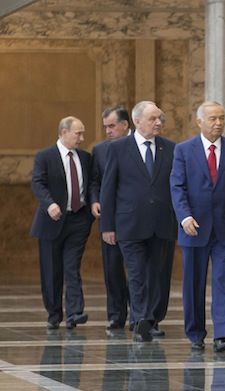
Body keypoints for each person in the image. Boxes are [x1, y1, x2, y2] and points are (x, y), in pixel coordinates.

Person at [170, 101, 225, 352]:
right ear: (200, 121)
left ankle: (221, 335)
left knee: (222, 280)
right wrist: (184, 217)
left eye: (222, 118)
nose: (219, 123)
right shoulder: (183, 150)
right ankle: (195, 334)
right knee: (193, 283)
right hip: (194, 227)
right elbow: (177, 187)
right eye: (213, 118)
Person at [100, 101, 177, 343]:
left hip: (162, 223)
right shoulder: (118, 148)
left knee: (158, 274)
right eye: (153, 118)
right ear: (136, 121)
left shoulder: (171, 148)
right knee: (136, 272)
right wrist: (107, 226)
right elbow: (108, 189)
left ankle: (153, 319)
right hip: (130, 224)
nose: (158, 123)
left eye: (160, 119)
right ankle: (141, 318)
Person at [30, 116, 95, 330]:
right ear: (63, 132)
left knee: (72, 267)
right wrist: (49, 204)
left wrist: (93, 202)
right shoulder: (45, 156)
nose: (82, 138)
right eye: (78, 133)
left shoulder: (85, 158)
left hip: (78, 220)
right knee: (51, 270)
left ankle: (75, 313)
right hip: (52, 221)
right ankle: (54, 314)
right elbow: (38, 183)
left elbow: (92, 183)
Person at [89, 106, 132, 330]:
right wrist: (95, 200)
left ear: (125, 125)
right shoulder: (100, 150)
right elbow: (95, 181)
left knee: (138, 269)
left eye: (112, 126)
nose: (108, 131)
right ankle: (116, 314)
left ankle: (140, 315)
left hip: (136, 218)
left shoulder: (140, 145)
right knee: (112, 267)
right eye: (105, 127)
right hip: (111, 217)